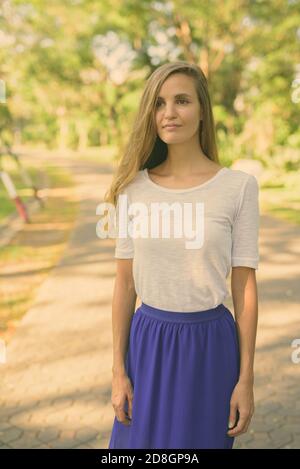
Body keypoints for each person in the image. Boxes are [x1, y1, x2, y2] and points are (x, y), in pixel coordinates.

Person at [104, 61, 259, 449]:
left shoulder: (238, 188)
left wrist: (246, 379)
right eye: (159, 103)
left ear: (202, 109)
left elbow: (244, 288)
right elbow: (125, 285)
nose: (169, 113)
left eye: (182, 100)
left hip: (211, 347)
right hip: (148, 342)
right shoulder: (133, 189)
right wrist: (118, 370)